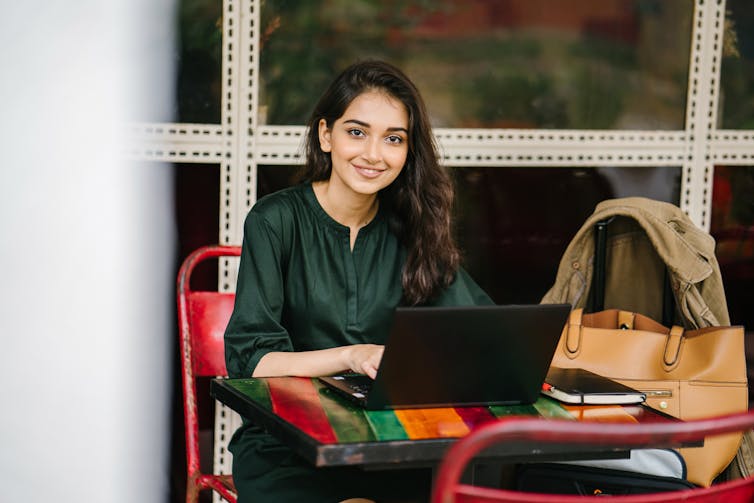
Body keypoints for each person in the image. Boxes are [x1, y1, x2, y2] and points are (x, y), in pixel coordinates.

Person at [224, 60, 493, 503]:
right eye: (357, 132)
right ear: (326, 135)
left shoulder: (411, 229)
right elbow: (251, 361)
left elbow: (478, 329)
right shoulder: (275, 222)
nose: (373, 154)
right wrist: (352, 355)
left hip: (393, 445)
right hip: (288, 450)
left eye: (393, 139)